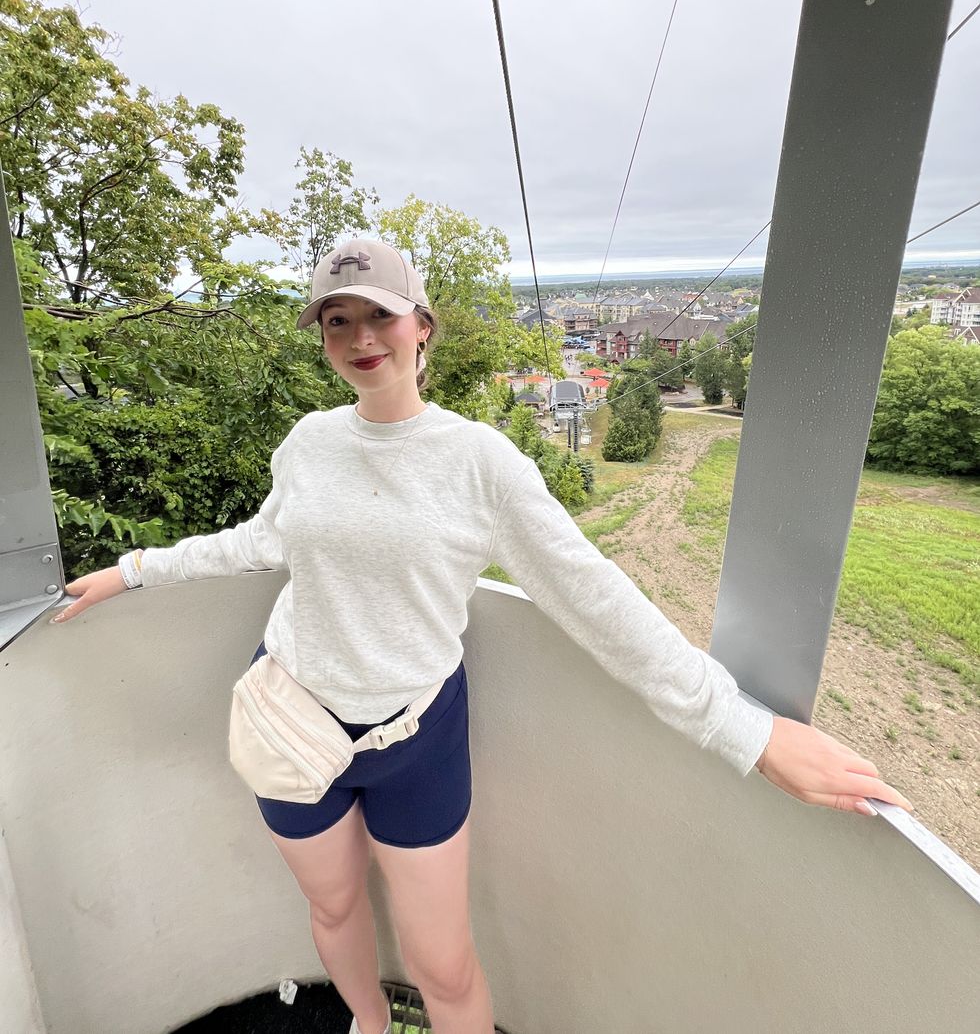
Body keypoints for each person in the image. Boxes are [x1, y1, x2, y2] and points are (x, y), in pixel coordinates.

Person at [53, 237, 912, 1034]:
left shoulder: (479, 462)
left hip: (413, 738)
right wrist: (134, 569)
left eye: (380, 313)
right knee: (333, 908)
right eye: (337, 319)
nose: (359, 337)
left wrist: (746, 730)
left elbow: (594, 597)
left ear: (422, 326)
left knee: (444, 963)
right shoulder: (309, 443)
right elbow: (258, 540)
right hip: (292, 718)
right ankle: (368, 1023)